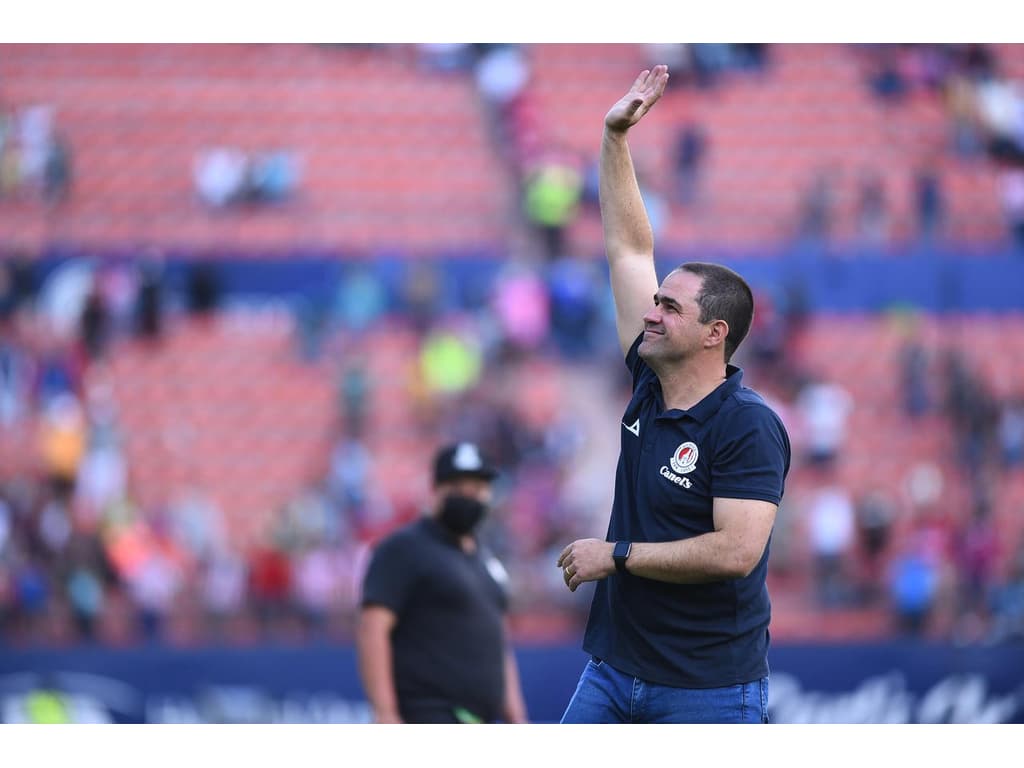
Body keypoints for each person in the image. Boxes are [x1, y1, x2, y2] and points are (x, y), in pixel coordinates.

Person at [556, 66, 791, 724]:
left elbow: (735, 551)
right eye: (654, 303)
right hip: (612, 672)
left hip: (706, 689)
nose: (651, 314)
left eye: (670, 308)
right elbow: (630, 247)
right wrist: (615, 138)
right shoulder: (649, 379)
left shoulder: (747, 426)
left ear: (715, 334)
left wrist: (618, 556)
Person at [356, 441, 528, 724]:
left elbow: (498, 644)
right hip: (427, 714)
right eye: (459, 487)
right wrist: (385, 712)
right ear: (436, 489)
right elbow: (373, 628)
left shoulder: (487, 561)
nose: (470, 496)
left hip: (482, 720)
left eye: (478, 488)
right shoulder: (403, 548)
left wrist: (517, 717)